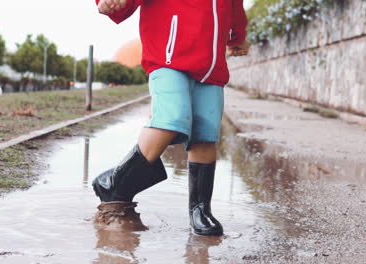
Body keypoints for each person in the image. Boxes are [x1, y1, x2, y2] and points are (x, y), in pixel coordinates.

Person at [92, 0, 249, 236]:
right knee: (171, 118)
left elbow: (235, 8)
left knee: (204, 136)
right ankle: (116, 183)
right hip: (169, 56)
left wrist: (237, 36)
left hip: (211, 68)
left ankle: (200, 210)